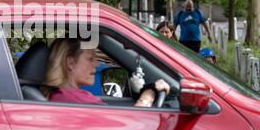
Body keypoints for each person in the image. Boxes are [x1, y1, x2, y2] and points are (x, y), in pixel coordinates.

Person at [41, 38, 170, 107]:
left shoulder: (62, 96)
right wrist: (149, 93)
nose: (96, 64)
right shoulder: (76, 100)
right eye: (90, 59)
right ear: (71, 63)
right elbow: (131, 126)